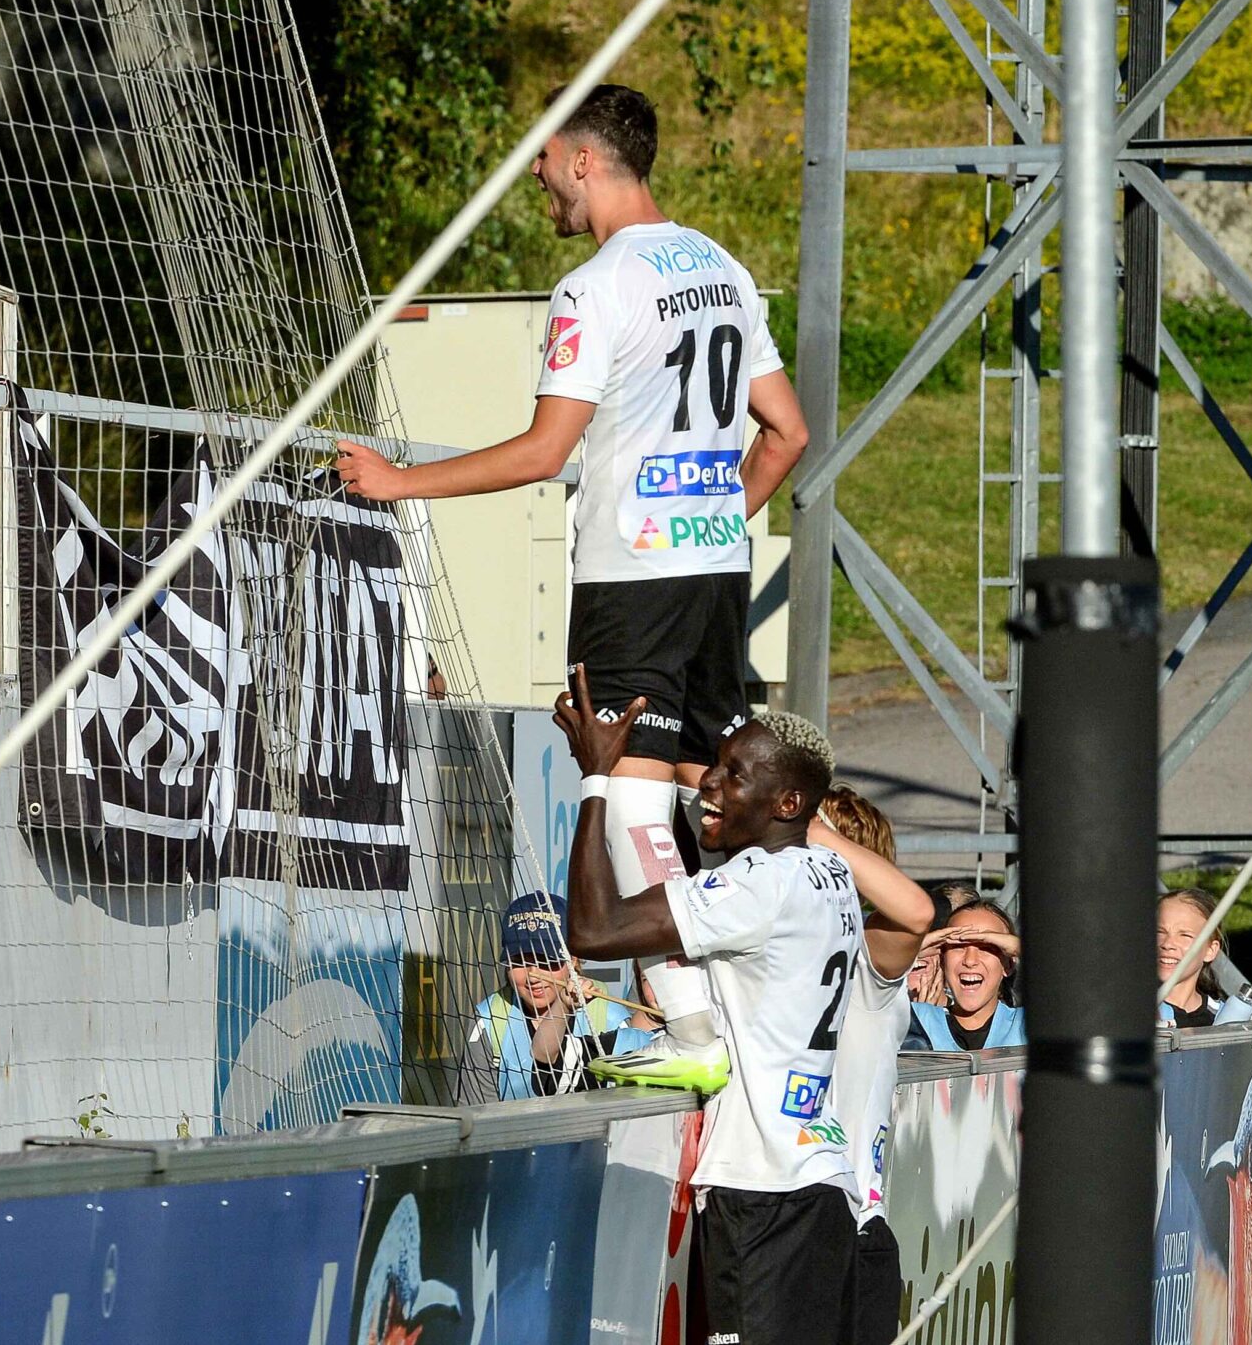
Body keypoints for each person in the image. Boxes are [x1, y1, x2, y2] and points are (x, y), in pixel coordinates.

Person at [335, 83, 811, 1094]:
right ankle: (764, 1014)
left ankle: (693, 1028)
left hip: (631, 580)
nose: (538, 178)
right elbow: (787, 431)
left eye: (545, 159)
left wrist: (398, 480)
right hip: (713, 574)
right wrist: (712, 516)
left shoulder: (595, 286)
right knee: (714, 801)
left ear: (585, 158)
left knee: (630, 796)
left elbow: (546, 449)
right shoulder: (723, 269)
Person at [560, 667, 862, 1345]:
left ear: (788, 802)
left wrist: (598, 778)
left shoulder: (758, 884)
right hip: (822, 1177)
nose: (709, 785)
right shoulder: (831, 871)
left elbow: (593, 931)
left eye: (733, 774)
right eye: (717, 766)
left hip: (762, 1189)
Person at [807, 780, 937, 1345]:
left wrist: (811, 831)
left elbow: (914, 917)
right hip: (773, 1216)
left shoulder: (869, 950)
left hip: (852, 1225)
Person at [458, 891, 633, 1103]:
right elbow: (477, 1113)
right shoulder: (490, 1020)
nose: (533, 976)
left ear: (573, 959)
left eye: (546, 961)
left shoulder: (610, 1018)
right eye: (519, 961)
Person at [903, 889, 1026, 1052]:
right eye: (958, 946)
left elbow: (1060, 976)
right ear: (942, 960)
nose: (970, 960)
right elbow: (870, 986)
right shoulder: (912, 1021)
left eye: (987, 947)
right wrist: (912, 951)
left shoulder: (1024, 1025)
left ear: (1008, 966)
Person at [1157, 888, 1252, 1028]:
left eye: (1185, 935)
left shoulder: (1225, 1017)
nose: (1167, 944)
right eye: (1159, 932)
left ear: (1210, 950)